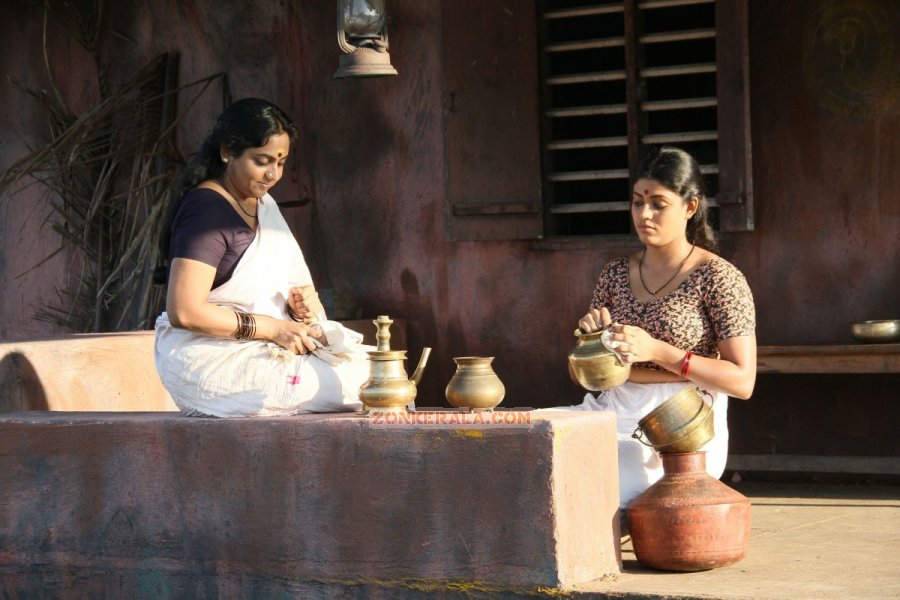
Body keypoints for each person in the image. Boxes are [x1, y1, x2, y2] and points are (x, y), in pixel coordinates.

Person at [154, 98, 370, 417]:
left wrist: (301, 310)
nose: (273, 174)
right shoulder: (206, 211)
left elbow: (290, 292)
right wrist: (271, 328)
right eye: (262, 161)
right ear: (228, 152)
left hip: (262, 350)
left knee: (375, 370)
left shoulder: (263, 205)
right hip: (210, 361)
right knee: (366, 384)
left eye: (280, 162)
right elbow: (184, 312)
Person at [570, 145, 757, 509]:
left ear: (690, 207)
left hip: (678, 427)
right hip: (610, 408)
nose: (645, 213)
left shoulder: (719, 278)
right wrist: (590, 344)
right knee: (540, 441)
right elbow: (582, 376)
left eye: (658, 203)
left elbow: (742, 381)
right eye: (638, 202)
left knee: (601, 472)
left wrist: (659, 351)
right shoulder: (615, 274)